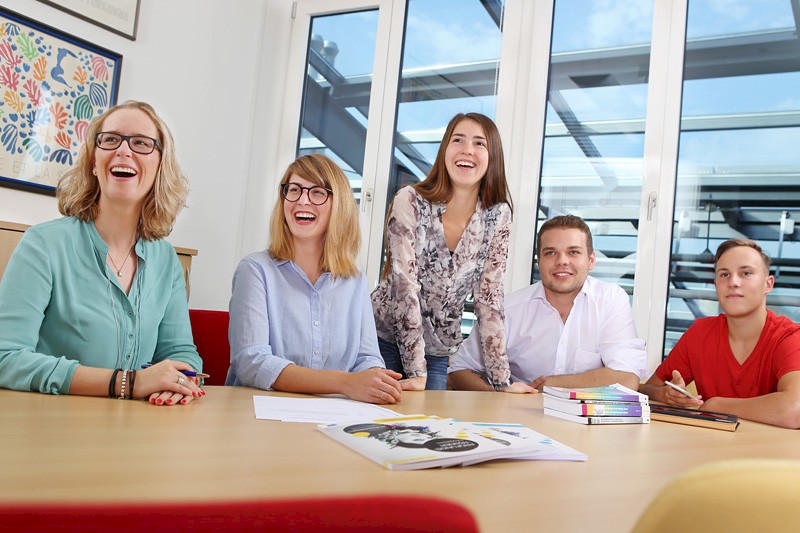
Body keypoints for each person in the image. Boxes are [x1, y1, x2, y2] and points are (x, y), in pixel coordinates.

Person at [0, 101, 204, 405]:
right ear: (94, 162)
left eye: (141, 143)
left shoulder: (167, 262)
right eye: (110, 140)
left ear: (160, 165)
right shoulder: (42, 245)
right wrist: (128, 383)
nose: (124, 150)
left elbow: (181, 352)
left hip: (141, 428)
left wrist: (177, 382)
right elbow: (7, 358)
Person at [226, 153, 402, 404]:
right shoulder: (255, 270)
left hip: (332, 415)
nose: (302, 201)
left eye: (317, 192)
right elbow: (252, 362)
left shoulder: (356, 281)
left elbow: (367, 358)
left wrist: (376, 379)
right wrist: (345, 382)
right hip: (259, 416)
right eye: (294, 190)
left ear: (338, 205)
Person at [371, 112, 515, 391]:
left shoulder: (498, 216)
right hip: (382, 338)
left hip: (437, 347)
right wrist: (415, 373)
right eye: (457, 140)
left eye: (479, 143)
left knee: (429, 428)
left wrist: (502, 383)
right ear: (445, 150)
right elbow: (404, 287)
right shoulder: (410, 200)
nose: (467, 150)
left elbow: (489, 298)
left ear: (492, 156)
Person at [448, 215, 647, 393]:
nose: (562, 261)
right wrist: (499, 397)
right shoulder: (506, 309)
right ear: (539, 261)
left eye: (573, 252)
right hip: (520, 419)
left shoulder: (611, 300)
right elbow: (458, 370)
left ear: (591, 260)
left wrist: (551, 384)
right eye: (551, 253)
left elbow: (627, 379)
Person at [641, 239, 800, 429]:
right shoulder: (699, 333)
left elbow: (794, 410)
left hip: (769, 454)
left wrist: (716, 405)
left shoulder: (789, 337)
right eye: (724, 274)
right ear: (716, 284)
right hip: (711, 449)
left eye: (746, 273)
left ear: (768, 284)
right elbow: (648, 389)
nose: (733, 282)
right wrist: (666, 395)